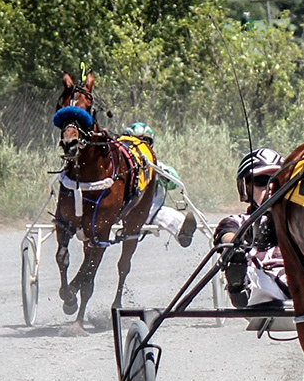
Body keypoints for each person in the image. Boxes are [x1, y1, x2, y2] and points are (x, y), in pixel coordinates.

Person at [213, 147, 290, 308]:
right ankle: (239, 283)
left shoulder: (299, 219)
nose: (270, 187)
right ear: (246, 188)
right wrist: (235, 249)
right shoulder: (238, 221)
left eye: (276, 181)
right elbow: (226, 233)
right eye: (262, 182)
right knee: (247, 272)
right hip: (263, 286)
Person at [121, 121, 197, 245]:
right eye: (137, 141)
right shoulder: (121, 166)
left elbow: (174, 182)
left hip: (151, 210)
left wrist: (164, 175)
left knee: (168, 215)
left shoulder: (155, 164)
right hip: (124, 209)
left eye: (145, 142)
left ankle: (183, 233)